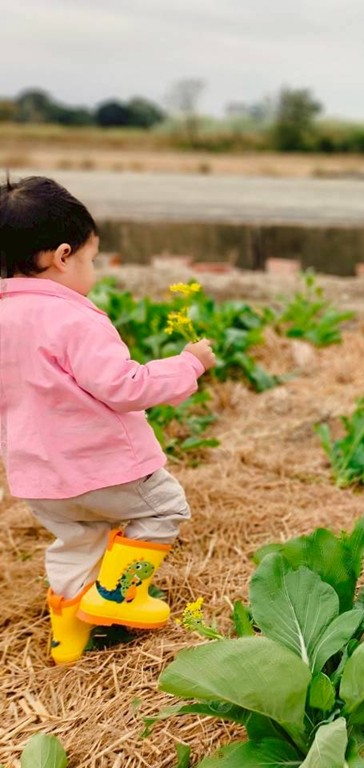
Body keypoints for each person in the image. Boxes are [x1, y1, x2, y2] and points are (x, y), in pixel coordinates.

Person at [0, 176, 216, 664]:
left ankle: (69, 640)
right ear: (62, 256)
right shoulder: (74, 319)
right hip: (102, 465)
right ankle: (119, 595)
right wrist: (188, 365)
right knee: (163, 509)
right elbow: (125, 387)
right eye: (91, 259)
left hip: (40, 478)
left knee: (78, 541)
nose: (93, 271)